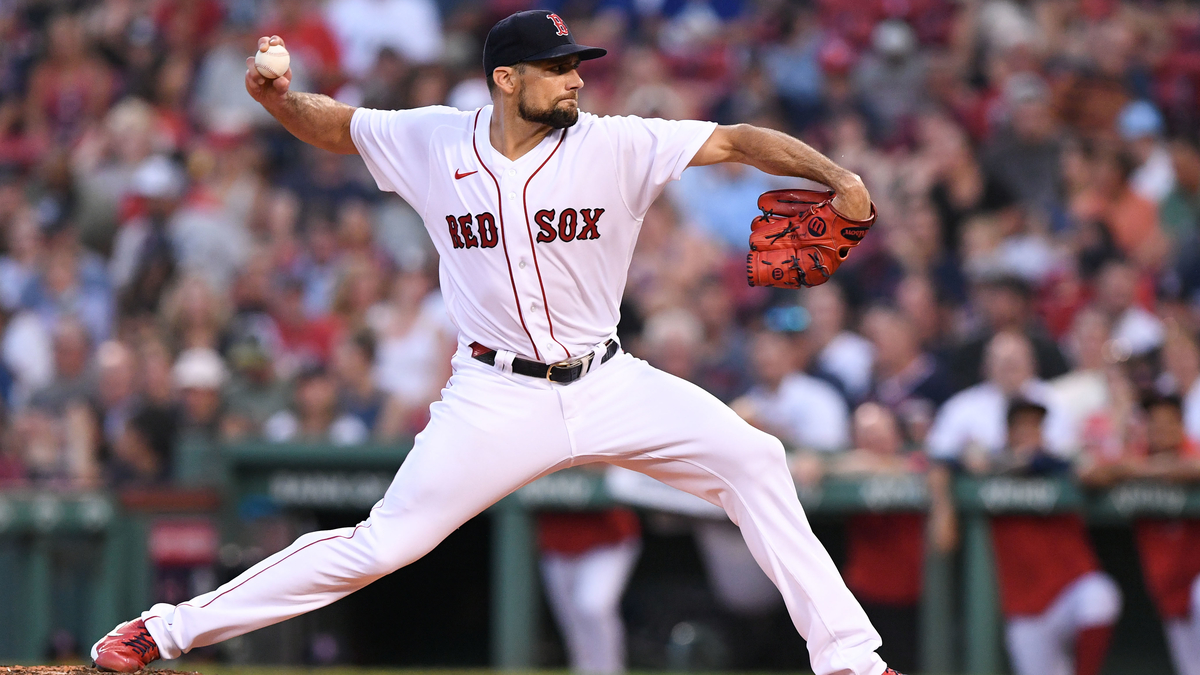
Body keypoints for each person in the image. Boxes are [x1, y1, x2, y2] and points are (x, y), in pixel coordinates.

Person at [92, 12, 901, 675]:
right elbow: (336, 127)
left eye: (576, 64)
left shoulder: (614, 142)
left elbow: (734, 140)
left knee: (753, 459)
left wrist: (838, 176)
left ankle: (852, 662)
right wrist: (276, 99)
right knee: (385, 541)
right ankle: (164, 630)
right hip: (496, 393)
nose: (576, 78)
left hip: (609, 378)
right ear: (507, 80)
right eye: (557, 67)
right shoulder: (434, 140)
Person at [931, 399, 1122, 675]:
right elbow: (941, 463)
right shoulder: (988, 465)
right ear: (1007, 433)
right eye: (1020, 427)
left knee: (1100, 597)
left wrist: (1069, 466)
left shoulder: (1058, 464)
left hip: (1069, 590)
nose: (1028, 433)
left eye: (1035, 426)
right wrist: (944, 508)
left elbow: (1097, 474)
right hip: (1024, 607)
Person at [1080, 394, 1200, 675]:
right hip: (1167, 586)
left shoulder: (1190, 448)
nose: (1161, 428)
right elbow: (1088, 474)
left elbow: (1194, 467)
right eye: (1154, 422)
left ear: (1180, 423)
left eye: (1168, 421)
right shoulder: (1136, 455)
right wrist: (1136, 468)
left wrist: (1149, 471)